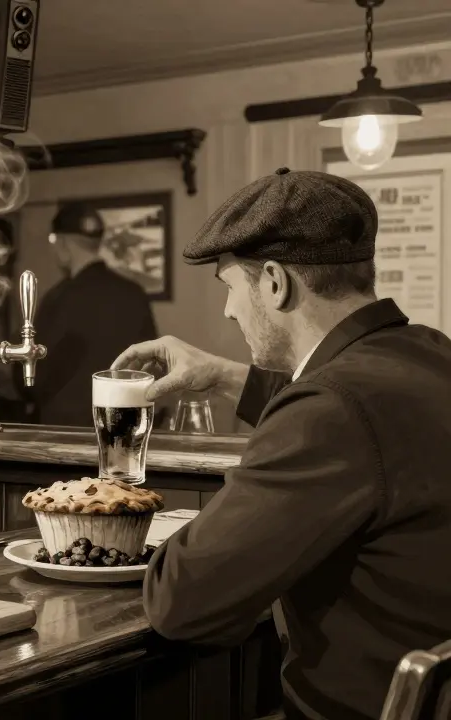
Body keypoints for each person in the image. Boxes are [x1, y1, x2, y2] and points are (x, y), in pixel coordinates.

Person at [113, 168, 451, 720]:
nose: (227, 311)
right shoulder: (429, 353)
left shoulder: (330, 410)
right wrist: (222, 374)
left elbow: (182, 604)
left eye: (229, 287)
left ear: (274, 282)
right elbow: (351, 416)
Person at [25, 203, 157, 425]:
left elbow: (34, 374)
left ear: (63, 243)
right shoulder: (134, 293)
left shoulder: (58, 299)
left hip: (65, 432)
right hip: (124, 423)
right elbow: (151, 365)